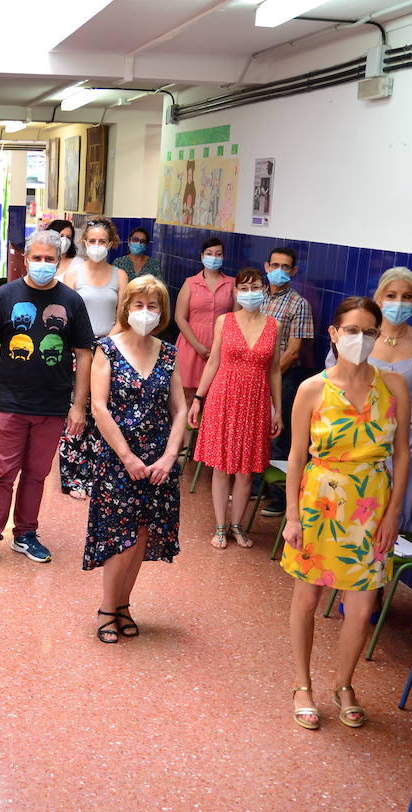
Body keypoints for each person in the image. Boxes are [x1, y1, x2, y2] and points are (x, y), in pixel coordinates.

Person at [280, 296, 410, 730]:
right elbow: (296, 457)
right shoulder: (312, 388)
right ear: (334, 334)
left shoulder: (393, 386)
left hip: (372, 504)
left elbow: (403, 454)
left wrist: (393, 514)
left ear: (379, 336)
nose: (360, 339)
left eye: (369, 332)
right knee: (308, 597)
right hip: (321, 503)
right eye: (351, 330)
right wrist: (293, 516)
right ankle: (302, 684)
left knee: (361, 606)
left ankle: (344, 683)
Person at [0, 229, 95, 568]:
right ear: (25, 259)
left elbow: (84, 355)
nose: (43, 264)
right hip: (11, 401)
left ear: (59, 262)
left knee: (36, 474)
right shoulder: (5, 296)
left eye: (49, 259)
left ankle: (26, 533)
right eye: (37, 258)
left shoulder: (72, 301)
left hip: (54, 404)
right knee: (1, 473)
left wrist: (78, 405)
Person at [85, 275, 186, 643]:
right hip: (118, 459)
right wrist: (127, 457)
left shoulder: (169, 352)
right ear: (126, 309)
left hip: (158, 461)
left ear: (162, 312)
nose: (145, 312)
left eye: (153, 306)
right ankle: (107, 609)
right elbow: (99, 408)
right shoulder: (107, 349)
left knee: (142, 533)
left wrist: (169, 457)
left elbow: (180, 410)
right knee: (121, 536)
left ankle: (125, 604)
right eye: (139, 305)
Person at [326, 266, 412, 531]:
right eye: (391, 295)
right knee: (355, 505)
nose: (399, 302)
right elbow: (336, 385)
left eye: (407, 296)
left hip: (410, 436)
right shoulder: (360, 338)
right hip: (361, 434)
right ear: (379, 298)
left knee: (396, 505)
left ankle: (388, 564)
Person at [188, 268, 282, 550]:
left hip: (256, 401)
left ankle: (237, 525)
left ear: (264, 291)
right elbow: (213, 362)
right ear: (236, 292)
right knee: (220, 466)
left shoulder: (274, 325)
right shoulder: (224, 321)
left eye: (255, 287)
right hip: (223, 398)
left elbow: (275, 370)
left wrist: (277, 409)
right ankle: (219, 525)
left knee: (246, 469)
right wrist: (198, 399)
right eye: (244, 288)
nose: (250, 292)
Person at [58, 216, 128, 500]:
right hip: (78, 349)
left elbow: (123, 315)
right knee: (77, 410)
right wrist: (83, 345)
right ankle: (73, 476)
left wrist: (106, 343)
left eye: (103, 241)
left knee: (102, 411)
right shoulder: (75, 273)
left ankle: (98, 474)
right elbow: (64, 314)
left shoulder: (119, 275)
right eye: (92, 241)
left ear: (111, 243)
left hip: (109, 348)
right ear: (84, 243)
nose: (97, 246)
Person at [258, 246, 315, 518]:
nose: (279, 271)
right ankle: (258, 485)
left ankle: (281, 497)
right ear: (266, 266)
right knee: (256, 432)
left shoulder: (299, 304)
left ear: (293, 271)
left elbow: (293, 352)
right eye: (275, 265)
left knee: (278, 436)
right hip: (254, 375)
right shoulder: (256, 297)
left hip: (283, 377)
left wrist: (266, 376)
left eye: (286, 267)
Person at [173, 236, 234, 405]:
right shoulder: (191, 283)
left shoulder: (231, 284)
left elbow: (236, 318)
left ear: (223, 257)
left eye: (218, 254)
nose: (213, 257)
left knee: (212, 396)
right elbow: (180, 317)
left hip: (220, 346)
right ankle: (185, 431)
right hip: (191, 344)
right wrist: (198, 346)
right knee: (188, 396)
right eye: (209, 253)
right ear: (202, 256)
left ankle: (205, 431)